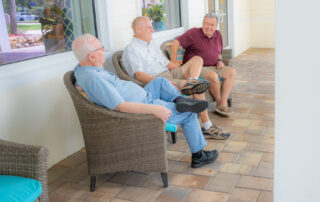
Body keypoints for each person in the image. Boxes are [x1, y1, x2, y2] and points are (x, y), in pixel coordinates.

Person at [71, 34, 219, 168]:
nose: (104, 51)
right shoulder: (94, 79)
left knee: (160, 82)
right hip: (143, 106)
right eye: (101, 49)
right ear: (91, 56)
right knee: (189, 113)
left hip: (144, 95)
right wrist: (155, 109)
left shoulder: (84, 68)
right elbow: (120, 106)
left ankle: (179, 99)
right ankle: (199, 156)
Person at [122, 16, 230, 140]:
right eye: (149, 27)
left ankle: (192, 81)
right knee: (197, 87)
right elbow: (139, 75)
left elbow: (166, 63)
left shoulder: (151, 44)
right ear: (138, 29)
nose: (153, 30)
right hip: (158, 80)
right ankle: (207, 127)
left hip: (169, 73)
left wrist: (183, 68)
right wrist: (163, 83)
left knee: (197, 59)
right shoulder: (132, 49)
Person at [170, 12, 236, 118]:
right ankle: (220, 104)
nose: (208, 27)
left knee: (231, 72)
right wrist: (173, 62)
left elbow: (219, 51)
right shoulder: (194, 33)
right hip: (197, 68)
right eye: (206, 23)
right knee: (213, 76)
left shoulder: (218, 34)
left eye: (211, 25)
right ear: (202, 23)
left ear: (216, 26)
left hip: (215, 65)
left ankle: (223, 103)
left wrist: (220, 60)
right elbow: (175, 43)